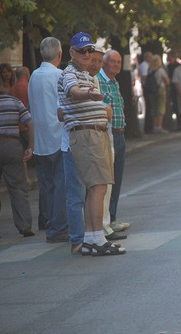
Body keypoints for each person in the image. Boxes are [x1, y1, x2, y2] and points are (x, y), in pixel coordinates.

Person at [58, 32, 125, 256]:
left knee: (98, 186)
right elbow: (73, 92)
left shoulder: (86, 74)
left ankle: (93, 237)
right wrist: (86, 93)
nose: (87, 55)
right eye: (83, 51)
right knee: (97, 187)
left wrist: (102, 108)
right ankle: (96, 238)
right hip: (86, 134)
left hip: (95, 133)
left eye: (90, 50)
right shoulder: (70, 74)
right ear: (72, 53)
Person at [0, 71, 35, 240]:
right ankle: (25, 226)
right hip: (13, 145)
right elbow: (30, 122)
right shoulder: (14, 101)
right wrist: (31, 147)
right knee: (18, 188)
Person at [28, 37, 69, 243]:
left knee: (48, 186)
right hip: (59, 137)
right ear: (60, 54)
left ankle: (49, 221)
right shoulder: (60, 75)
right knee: (62, 184)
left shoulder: (34, 76)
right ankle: (59, 227)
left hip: (41, 140)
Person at [97, 49, 131, 237]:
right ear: (104, 63)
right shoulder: (99, 81)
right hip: (108, 135)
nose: (116, 65)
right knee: (107, 180)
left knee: (116, 178)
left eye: (118, 62)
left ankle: (112, 216)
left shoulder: (114, 82)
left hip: (120, 134)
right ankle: (104, 221)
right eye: (113, 62)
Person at [10, 66, 33, 187]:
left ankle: (26, 178)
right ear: (26, 74)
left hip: (17, 124)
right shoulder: (28, 86)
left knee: (22, 154)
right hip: (28, 124)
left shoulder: (12, 88)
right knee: (32, 149)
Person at [147, 54, 170, 133]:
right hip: (160, 89)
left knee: (154, 108)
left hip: (151, 90)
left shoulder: (149, 69)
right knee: (160, 108)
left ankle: (154, 126)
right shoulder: (160, 70)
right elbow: (167, 81)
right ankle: (159, 126)